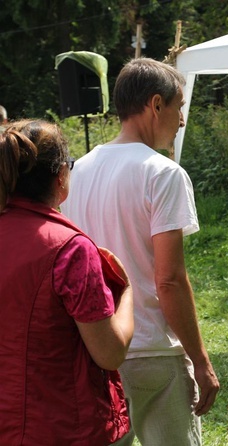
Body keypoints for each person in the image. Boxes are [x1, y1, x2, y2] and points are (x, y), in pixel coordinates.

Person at [61, 58, 220, 445]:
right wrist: (200, 361)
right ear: (156, 105)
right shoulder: (163, 173)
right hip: (153, 351)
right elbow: (168, 279)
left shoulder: (77, 170)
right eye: (179, 106)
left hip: (96, 348)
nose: (181, 120)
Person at [0, 119, 133, 445]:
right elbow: (110, 353)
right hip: (64, 427)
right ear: (61, 175)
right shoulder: (69, 249)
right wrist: (127, 292)